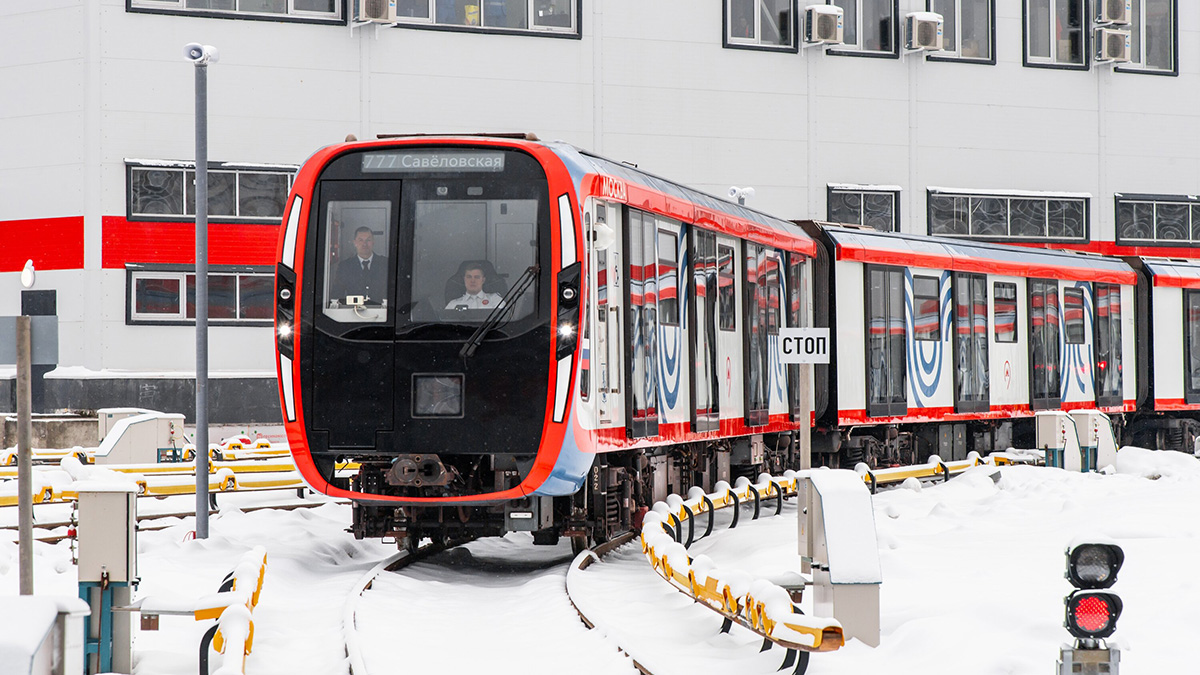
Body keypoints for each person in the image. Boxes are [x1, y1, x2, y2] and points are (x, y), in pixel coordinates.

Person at [332, 226, 388, 305]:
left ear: (373, 242)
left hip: (381, 311)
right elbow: (336, 295)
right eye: (360, 240)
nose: (364, 244)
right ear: (355, 243)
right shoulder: (345, 266)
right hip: (352, 311)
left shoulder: (385, 264)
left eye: (368, 240)